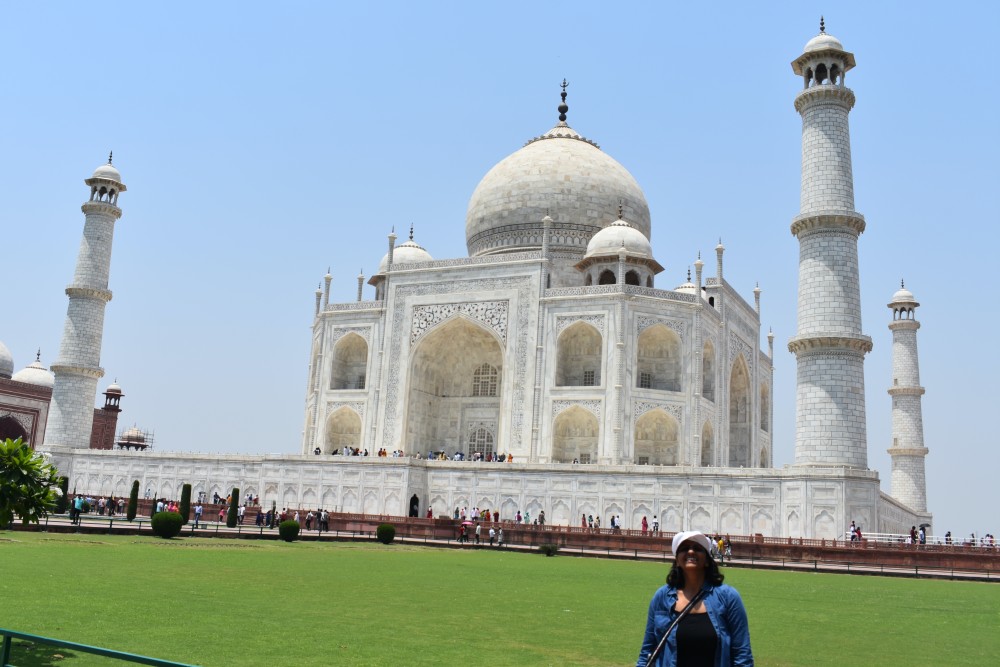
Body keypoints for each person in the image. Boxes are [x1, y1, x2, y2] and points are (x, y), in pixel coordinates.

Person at [636, 530, 753, 667]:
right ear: (677, 560)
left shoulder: (727, 598)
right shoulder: (662, 598)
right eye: (684, 548)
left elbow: (742, 655)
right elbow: (647, 651)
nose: (691, 551)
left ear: (707, 561)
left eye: (697, 548)